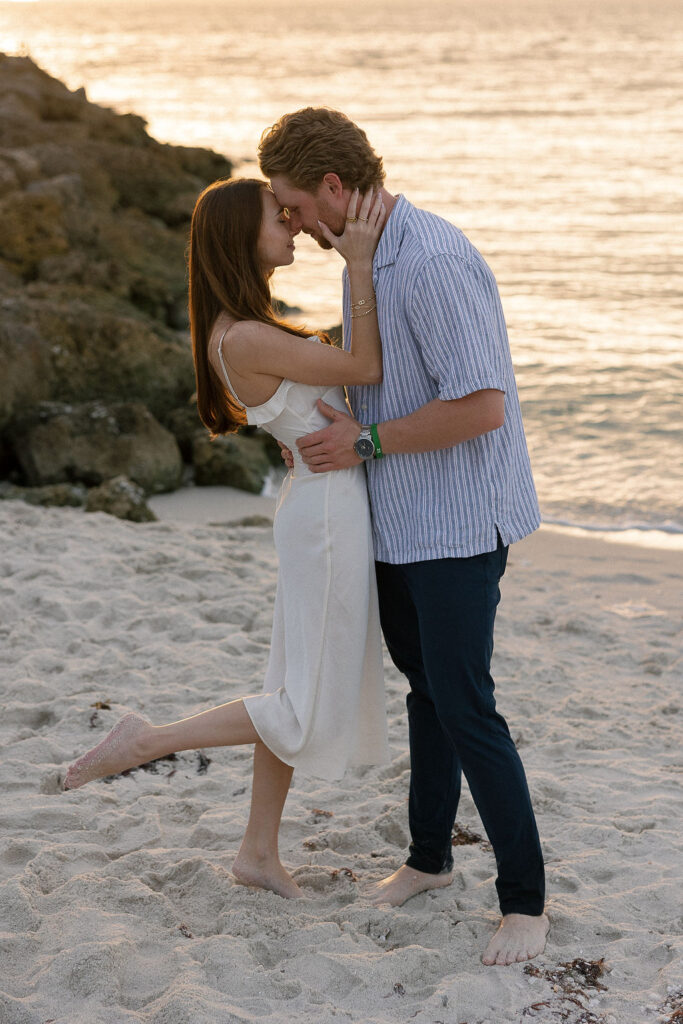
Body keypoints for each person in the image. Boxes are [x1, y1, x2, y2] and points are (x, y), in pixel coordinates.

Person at [258, 108, 549, 965]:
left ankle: (525, 902)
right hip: (398, 522)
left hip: (457, 523)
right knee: (426, 691)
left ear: (335, 189)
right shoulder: (368, 257)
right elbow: (376, 378)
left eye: (294, 205)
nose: (292, 223)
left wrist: (366, 440)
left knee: (466, 706)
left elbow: (481, 406)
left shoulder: (427, 262)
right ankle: (428, 861)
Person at [63, 177, 390, 900]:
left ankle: (257, 854)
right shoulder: (245, 336)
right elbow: (364, 367)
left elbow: (315, 395)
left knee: (287, 687)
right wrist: (360, 265)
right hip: (327, 518)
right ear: (241, 238)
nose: (294, 227)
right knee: (302, 704)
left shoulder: (241, 330)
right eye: (280, 218)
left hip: (317, 507)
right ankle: (148, 740)